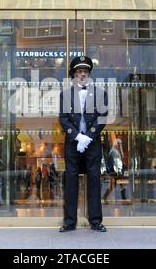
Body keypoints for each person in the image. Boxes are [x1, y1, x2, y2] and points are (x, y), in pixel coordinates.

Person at [59, 55, 108, 232]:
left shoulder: (100, 93)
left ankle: (96, 221)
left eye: (85, 71)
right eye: (79, 71)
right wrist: (77, 137)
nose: (82, 74)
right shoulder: (65, 94)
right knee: (71, 182)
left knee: (94, 181)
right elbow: (63, 119)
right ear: (74, 74)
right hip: (73, 144)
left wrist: (88, 136)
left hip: (92, 143)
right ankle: (69, 222)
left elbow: (102, 118)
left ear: (89, 73)